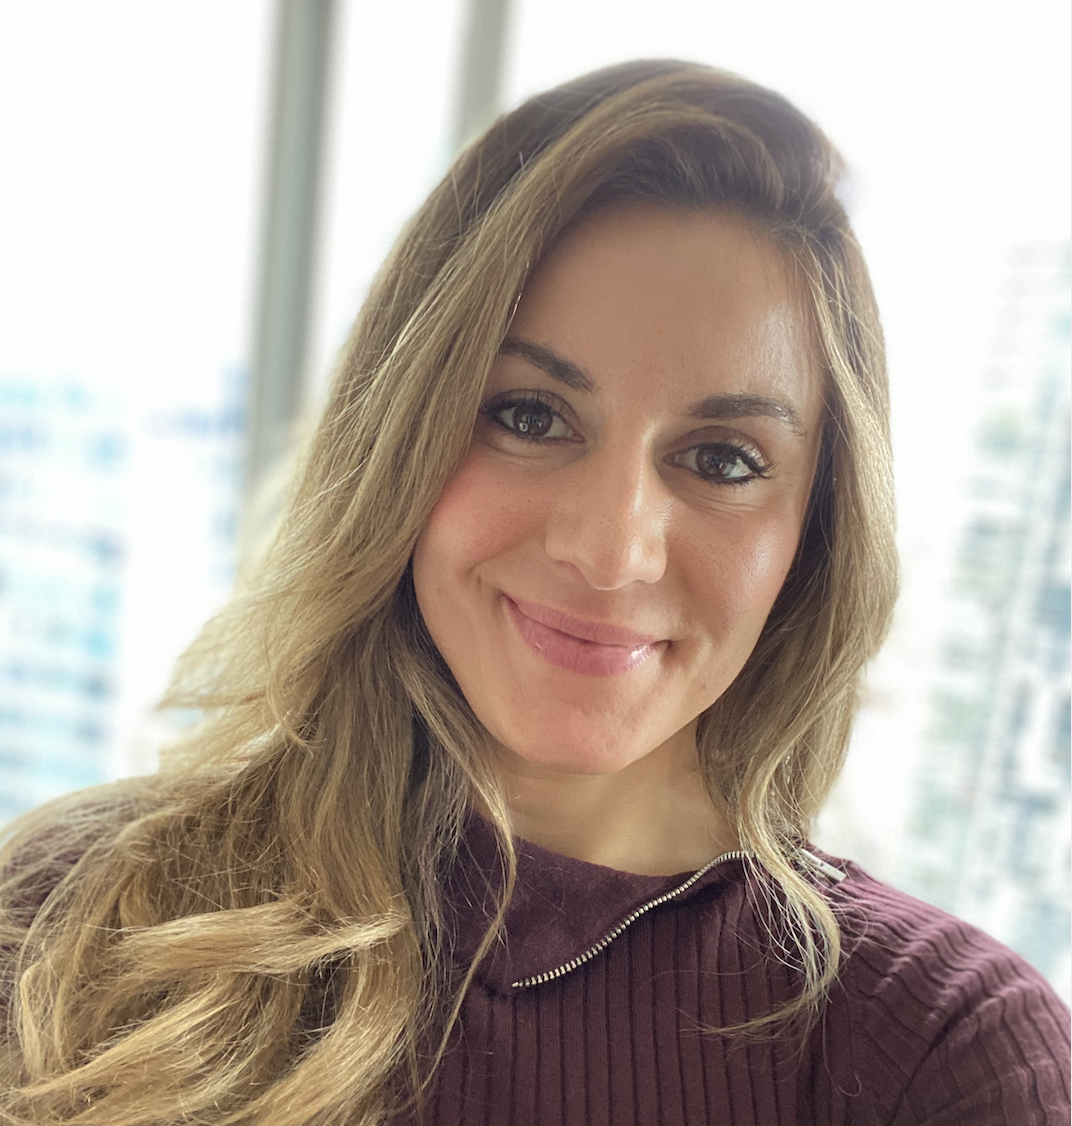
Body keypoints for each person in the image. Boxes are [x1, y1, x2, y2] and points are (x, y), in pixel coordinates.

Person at [0, 60, 1067, 1126]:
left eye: (722, 459)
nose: (611, 552)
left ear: (815, 530)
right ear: (402, 440)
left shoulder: (951, 1055)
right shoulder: (77, 916)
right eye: (530, 416)